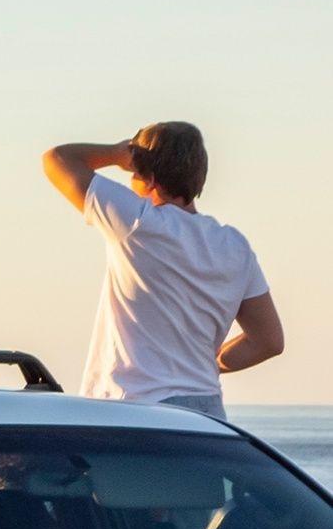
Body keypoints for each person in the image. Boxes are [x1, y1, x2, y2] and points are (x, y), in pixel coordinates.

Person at [42, 123, 282, 418]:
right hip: (206, 411)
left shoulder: (139, 222)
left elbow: (57, 159)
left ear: (148, 177)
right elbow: (268, 341)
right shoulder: (235, 246)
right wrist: (201, 365)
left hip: (136, 407)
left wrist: (117, 154)